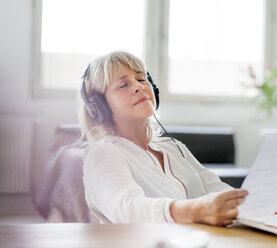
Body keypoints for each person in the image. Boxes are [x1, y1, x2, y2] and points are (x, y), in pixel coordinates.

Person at [79, 51, 248, 225]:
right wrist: (195, 210)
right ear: (100, 106)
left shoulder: (174, 147)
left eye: (141, 79)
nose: (139, 87)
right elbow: (127, 209)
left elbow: (218, 190)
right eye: (124, 85)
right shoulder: (103, 153)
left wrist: (254, 208)